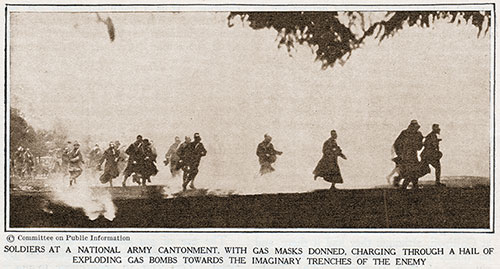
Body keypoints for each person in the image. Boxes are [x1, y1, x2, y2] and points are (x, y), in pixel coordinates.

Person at [393, 120, 424, 189]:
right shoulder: (404, 133)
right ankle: (405, 186)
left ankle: (413, 185)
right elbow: (396, 144)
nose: (416, 129)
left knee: (414, 171)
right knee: (410, 172)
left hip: (413, 156)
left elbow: (419, 147)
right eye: (414, 127)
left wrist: (421, 142)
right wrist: (399, 154)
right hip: (405, 156)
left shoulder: (418, 134)